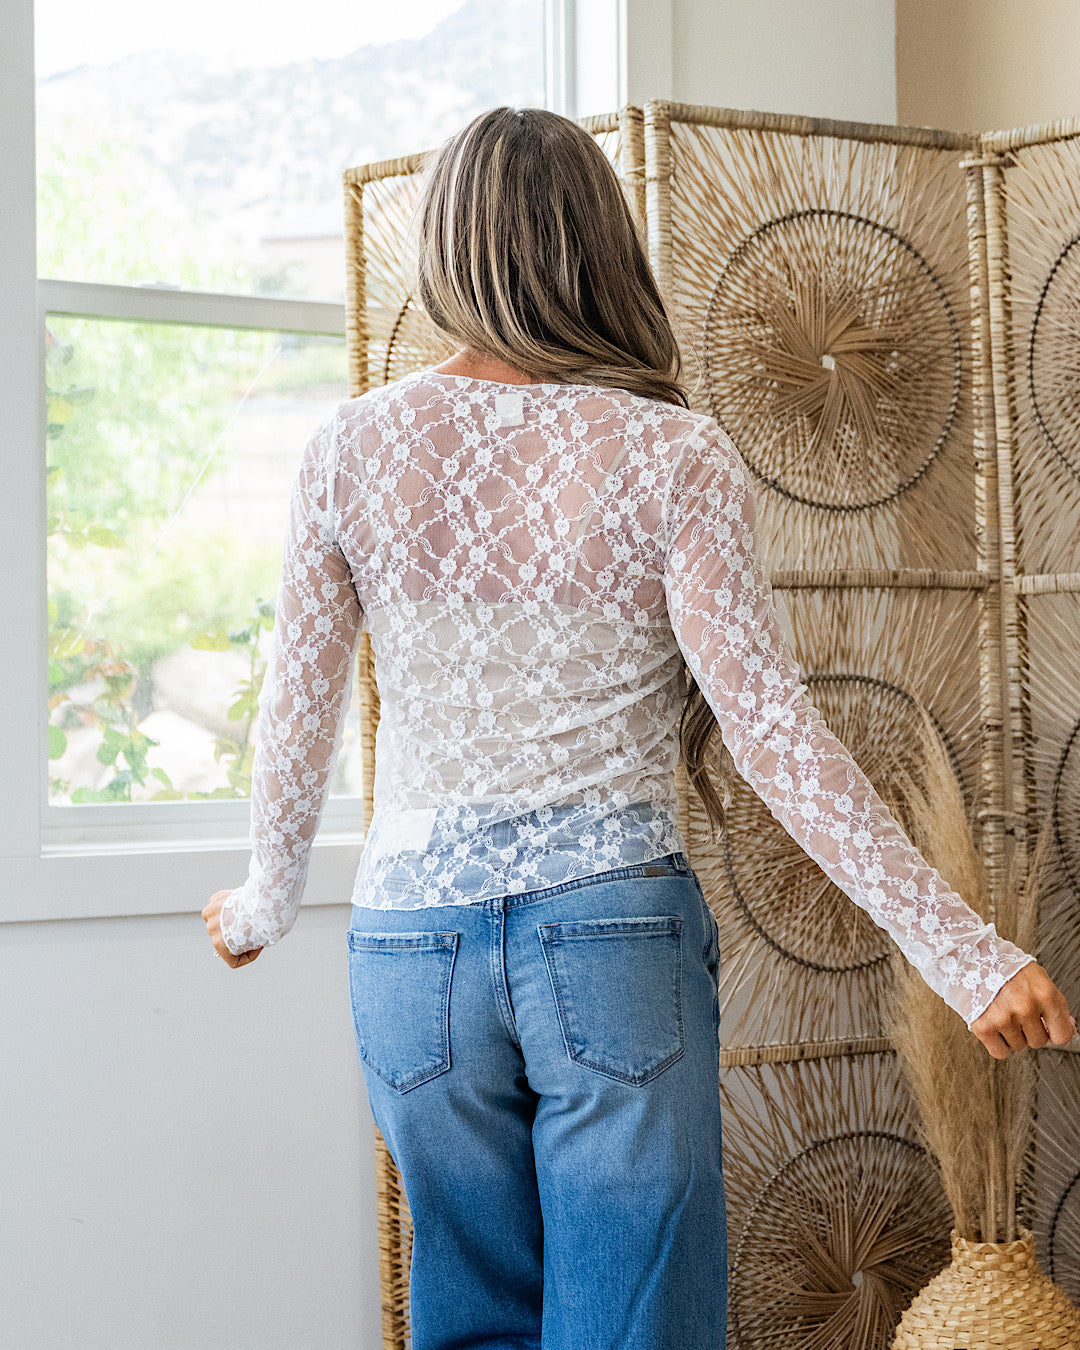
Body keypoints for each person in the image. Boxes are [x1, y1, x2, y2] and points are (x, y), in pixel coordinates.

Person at [201, 106, 1075, 1348]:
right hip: (605, 930)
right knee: (634, 1328)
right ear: (600, 247)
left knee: (464, 1319)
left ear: (447, 252)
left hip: (409, 950)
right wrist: (963, 951)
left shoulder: (348, 447)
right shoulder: (674, 454)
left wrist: (260, 903)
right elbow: (772, 732)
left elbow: (299, 703)